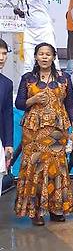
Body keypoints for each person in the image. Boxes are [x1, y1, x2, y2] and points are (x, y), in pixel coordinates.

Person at [14, 43, 73, 225]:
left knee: (57, 169)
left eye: (48, 54)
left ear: (53, 57)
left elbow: (70, 104)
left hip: (57, 131)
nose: (44, 57)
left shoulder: (64, 78)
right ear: (35, 57)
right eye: (41, 54)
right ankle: (36, 211)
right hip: (34, 131)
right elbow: (19, 103)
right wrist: (31, 100)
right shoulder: (28, 78)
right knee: (36, 168)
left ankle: (56, 209)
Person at [0, 0, 60, 72]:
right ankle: (26, 84)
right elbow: (29, 14)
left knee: (51, 58)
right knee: (28, 62)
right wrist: (20, 13)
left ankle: (59, 83)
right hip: (29, 31)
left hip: (44, 30)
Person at [0, 39, 14, 181]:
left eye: (4, 53)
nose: (1, 58)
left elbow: (7, 115)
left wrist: (8, 143)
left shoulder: (6, 83)